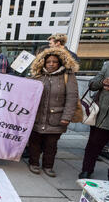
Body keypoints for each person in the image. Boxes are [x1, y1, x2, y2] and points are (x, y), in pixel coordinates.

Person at [27, 47, 79, 177]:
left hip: (56, 118)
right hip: (37, 117)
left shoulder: (68, 77)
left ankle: (48, 166)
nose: (51, 64)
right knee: (34, 142)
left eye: (54, 62)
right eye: (48, 61)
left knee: (51, 145)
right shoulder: (37, 76)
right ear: (43, 63)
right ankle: (33, 163)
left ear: (60, 63)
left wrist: (67, 117)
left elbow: (72, 98)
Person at [79, 45, 109, 181]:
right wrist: (104, 81)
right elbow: (92, 84)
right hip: (102, 116)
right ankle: (86, 170)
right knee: (93, 146)